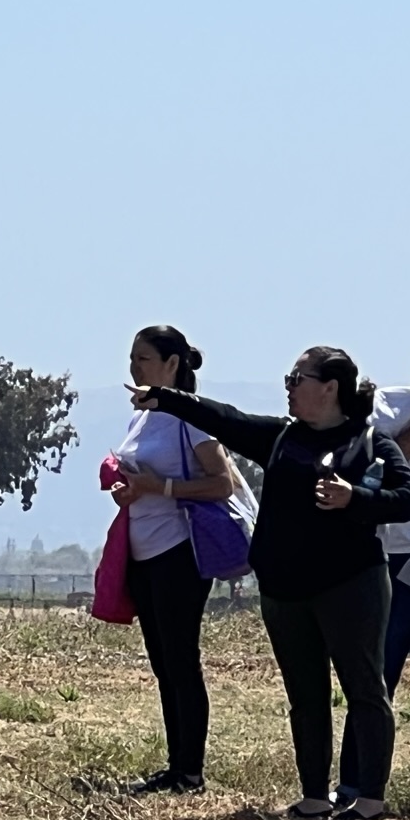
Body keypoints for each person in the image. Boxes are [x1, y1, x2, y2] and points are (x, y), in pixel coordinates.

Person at [130, 346, 410, 820]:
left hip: (352, 585)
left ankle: (369, 800)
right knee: (305, 696)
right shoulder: (281, 438)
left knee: (364, 690)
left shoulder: (370, 444)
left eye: (296, 377)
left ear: (329, 388)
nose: (288, 386)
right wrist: (166, 397)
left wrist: (356, 497)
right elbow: (225, 418)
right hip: (285, 590)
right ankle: (314, 797)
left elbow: (406, 499)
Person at [107, 326, 238, 794]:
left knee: (182, 659)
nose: (134, 367)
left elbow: (220, 483)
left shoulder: (191, 417)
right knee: (163, 661)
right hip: (142, 552)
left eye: (143, 358)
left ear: (172, 364)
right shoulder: (142, 417)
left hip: (179, 551)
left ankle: (191, 769)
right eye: (132, 357)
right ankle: (175, 763)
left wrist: (158, 489)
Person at [339, 338, 410, 804]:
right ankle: (354, 785)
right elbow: (368, 471)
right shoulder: (391, 415)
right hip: (402, 558)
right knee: (377, 676)